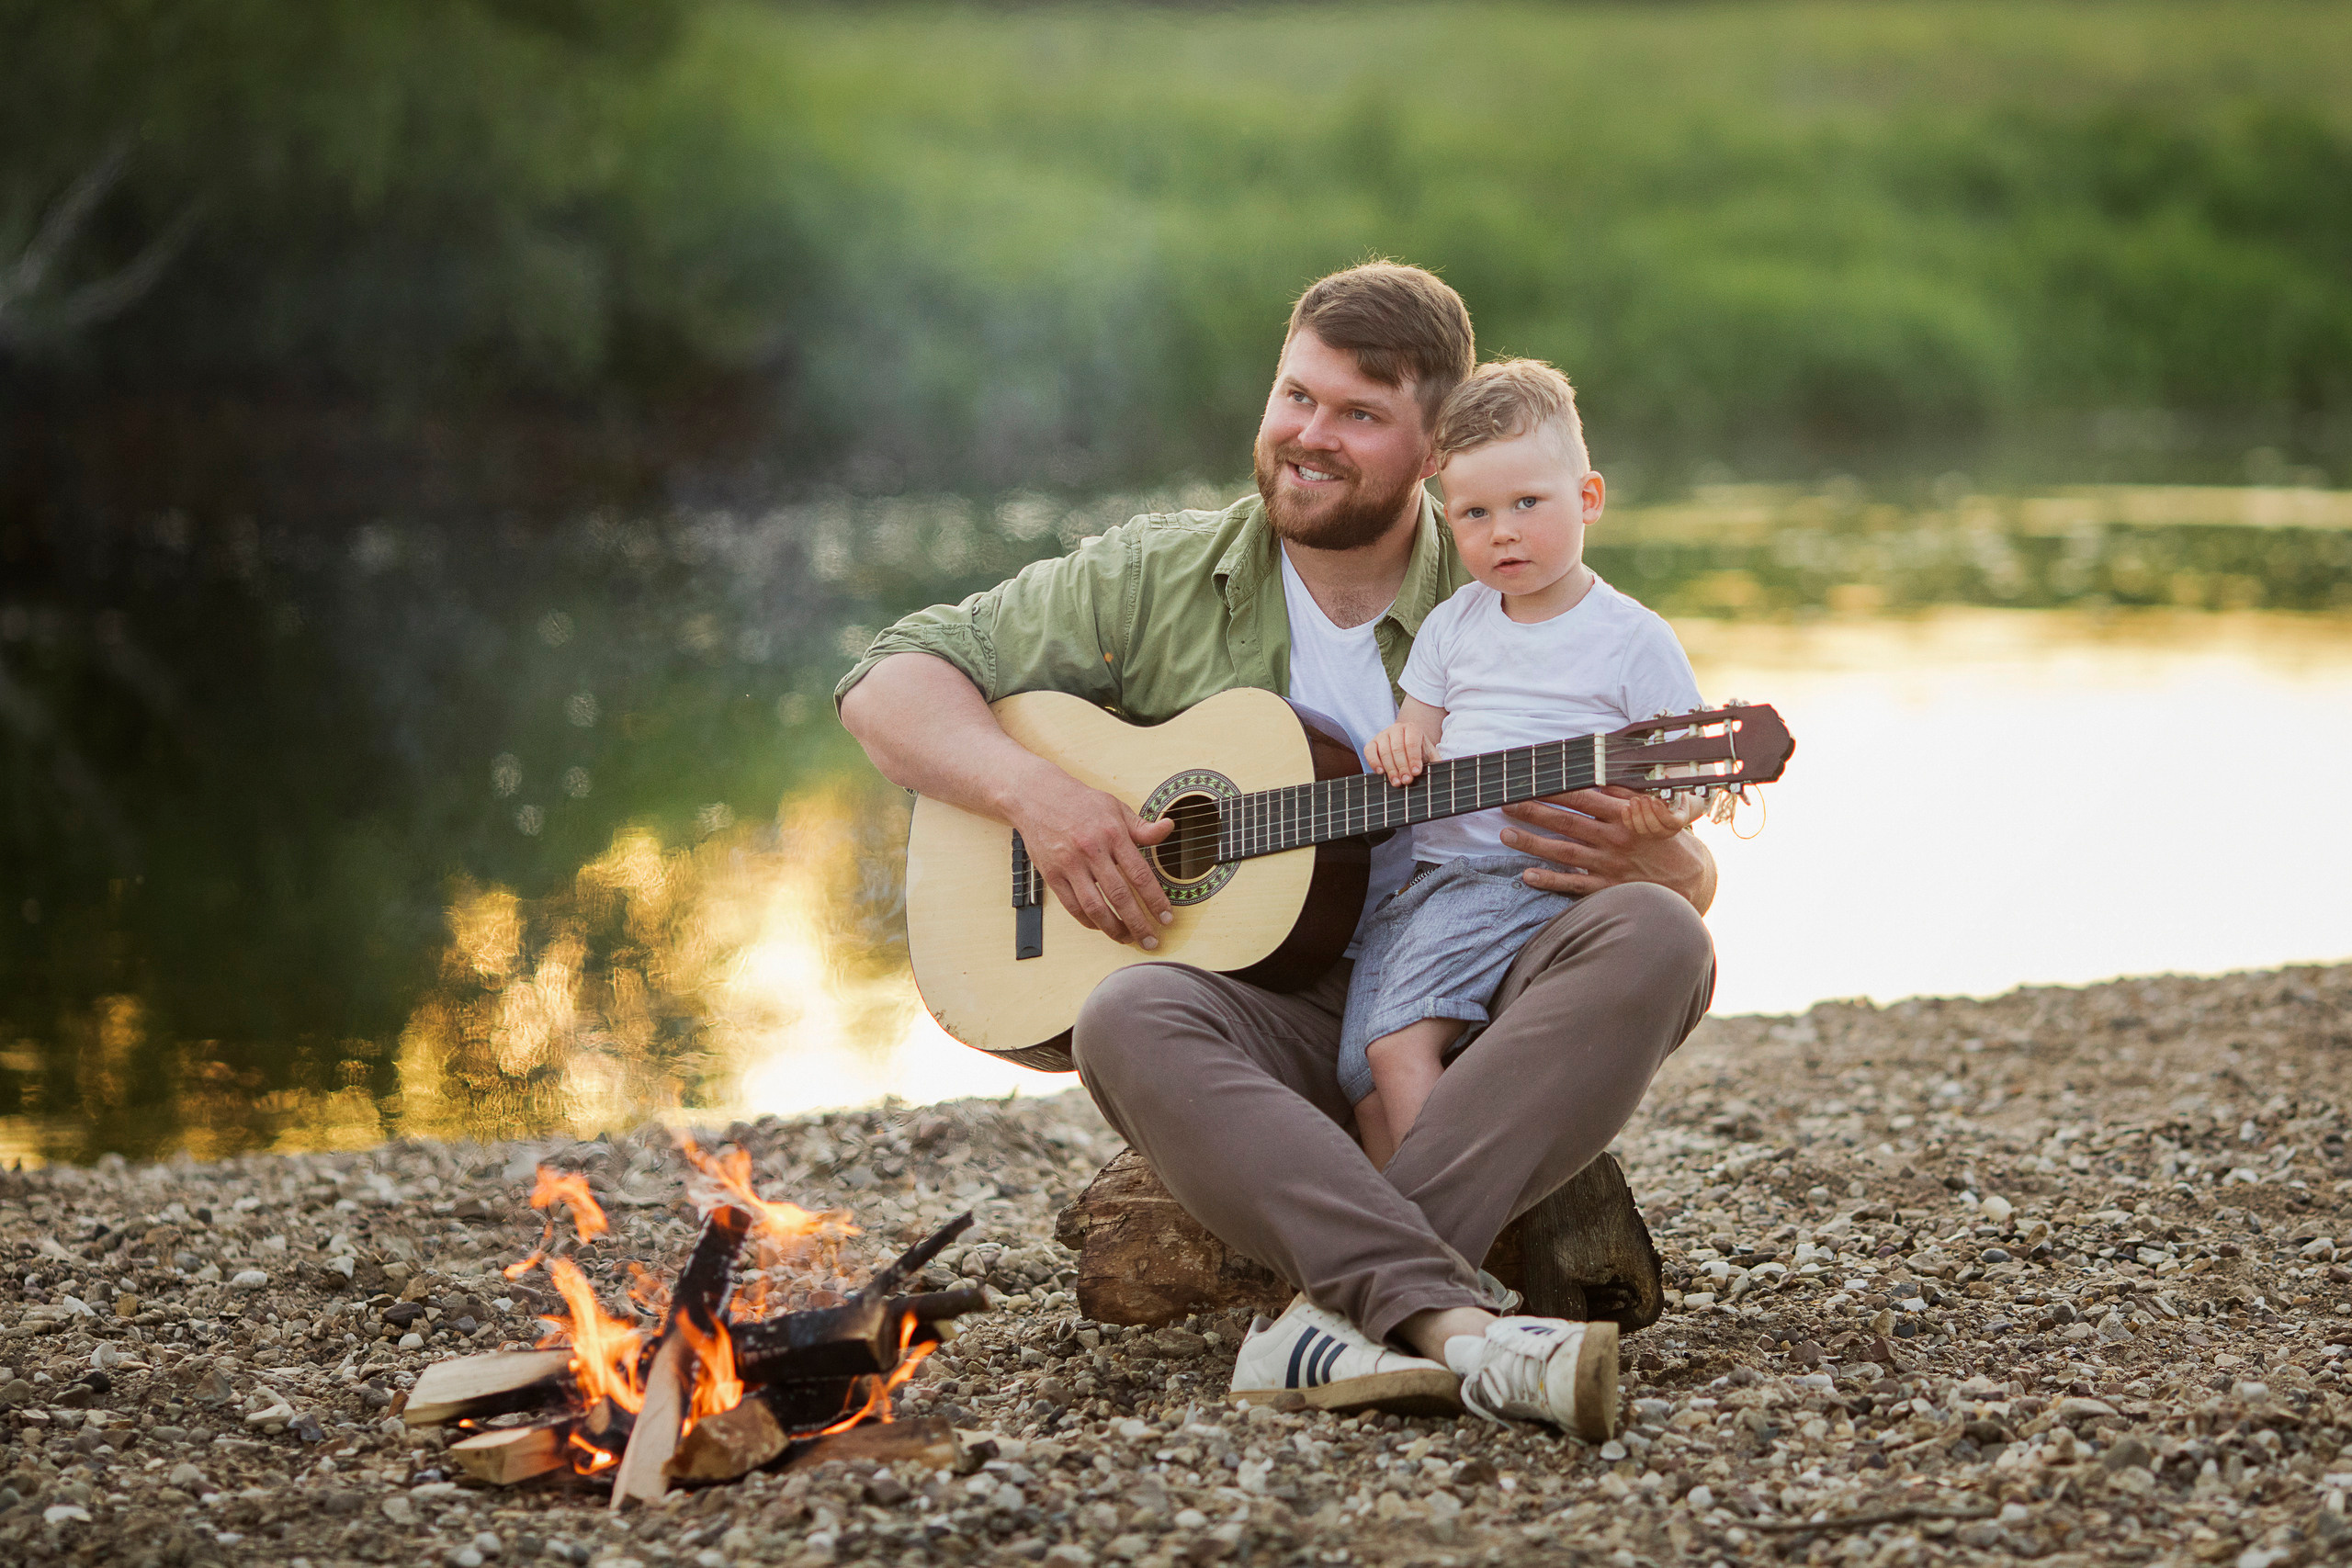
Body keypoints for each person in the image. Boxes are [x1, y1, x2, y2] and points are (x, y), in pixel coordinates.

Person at [837, 263, 1717, 1435]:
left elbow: (1683, 865)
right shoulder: (1157, 575)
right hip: (1271, 1020)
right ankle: (1445, 1318)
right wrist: (1040, 796)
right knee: (1123, 1016)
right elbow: (885, 681)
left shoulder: (1515, 579)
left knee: (1662, 935)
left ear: (1433, 454)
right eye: (1295, 396)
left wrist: (1663, 865)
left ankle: (1348, 1313)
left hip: (1464, 1014)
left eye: (1359, 415)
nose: (1310, 436)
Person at [1345, 358, 1704, 1175]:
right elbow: (1416, 732)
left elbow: (1686, 777)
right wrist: (1397, 745)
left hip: (1523, 875)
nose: (1501, 531)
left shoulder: (1631, 638)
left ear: (1589, 499)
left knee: (1399, 1046)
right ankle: (1408, 1229)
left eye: (1527, 504)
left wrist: (1666, 814)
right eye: (1474, 513)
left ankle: (1423, 1258)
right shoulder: (1452, 624)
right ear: (1448, 519)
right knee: (1361, 1074)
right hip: (1426, 884)